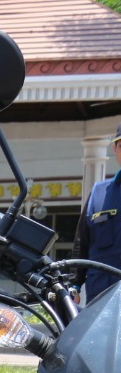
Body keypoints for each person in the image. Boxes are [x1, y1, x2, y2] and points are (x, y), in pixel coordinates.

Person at [73, 122, 121, 305]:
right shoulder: (99, 193)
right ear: (115, 149)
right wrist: (74, 285)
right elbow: (81, 243)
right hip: (101, 296)